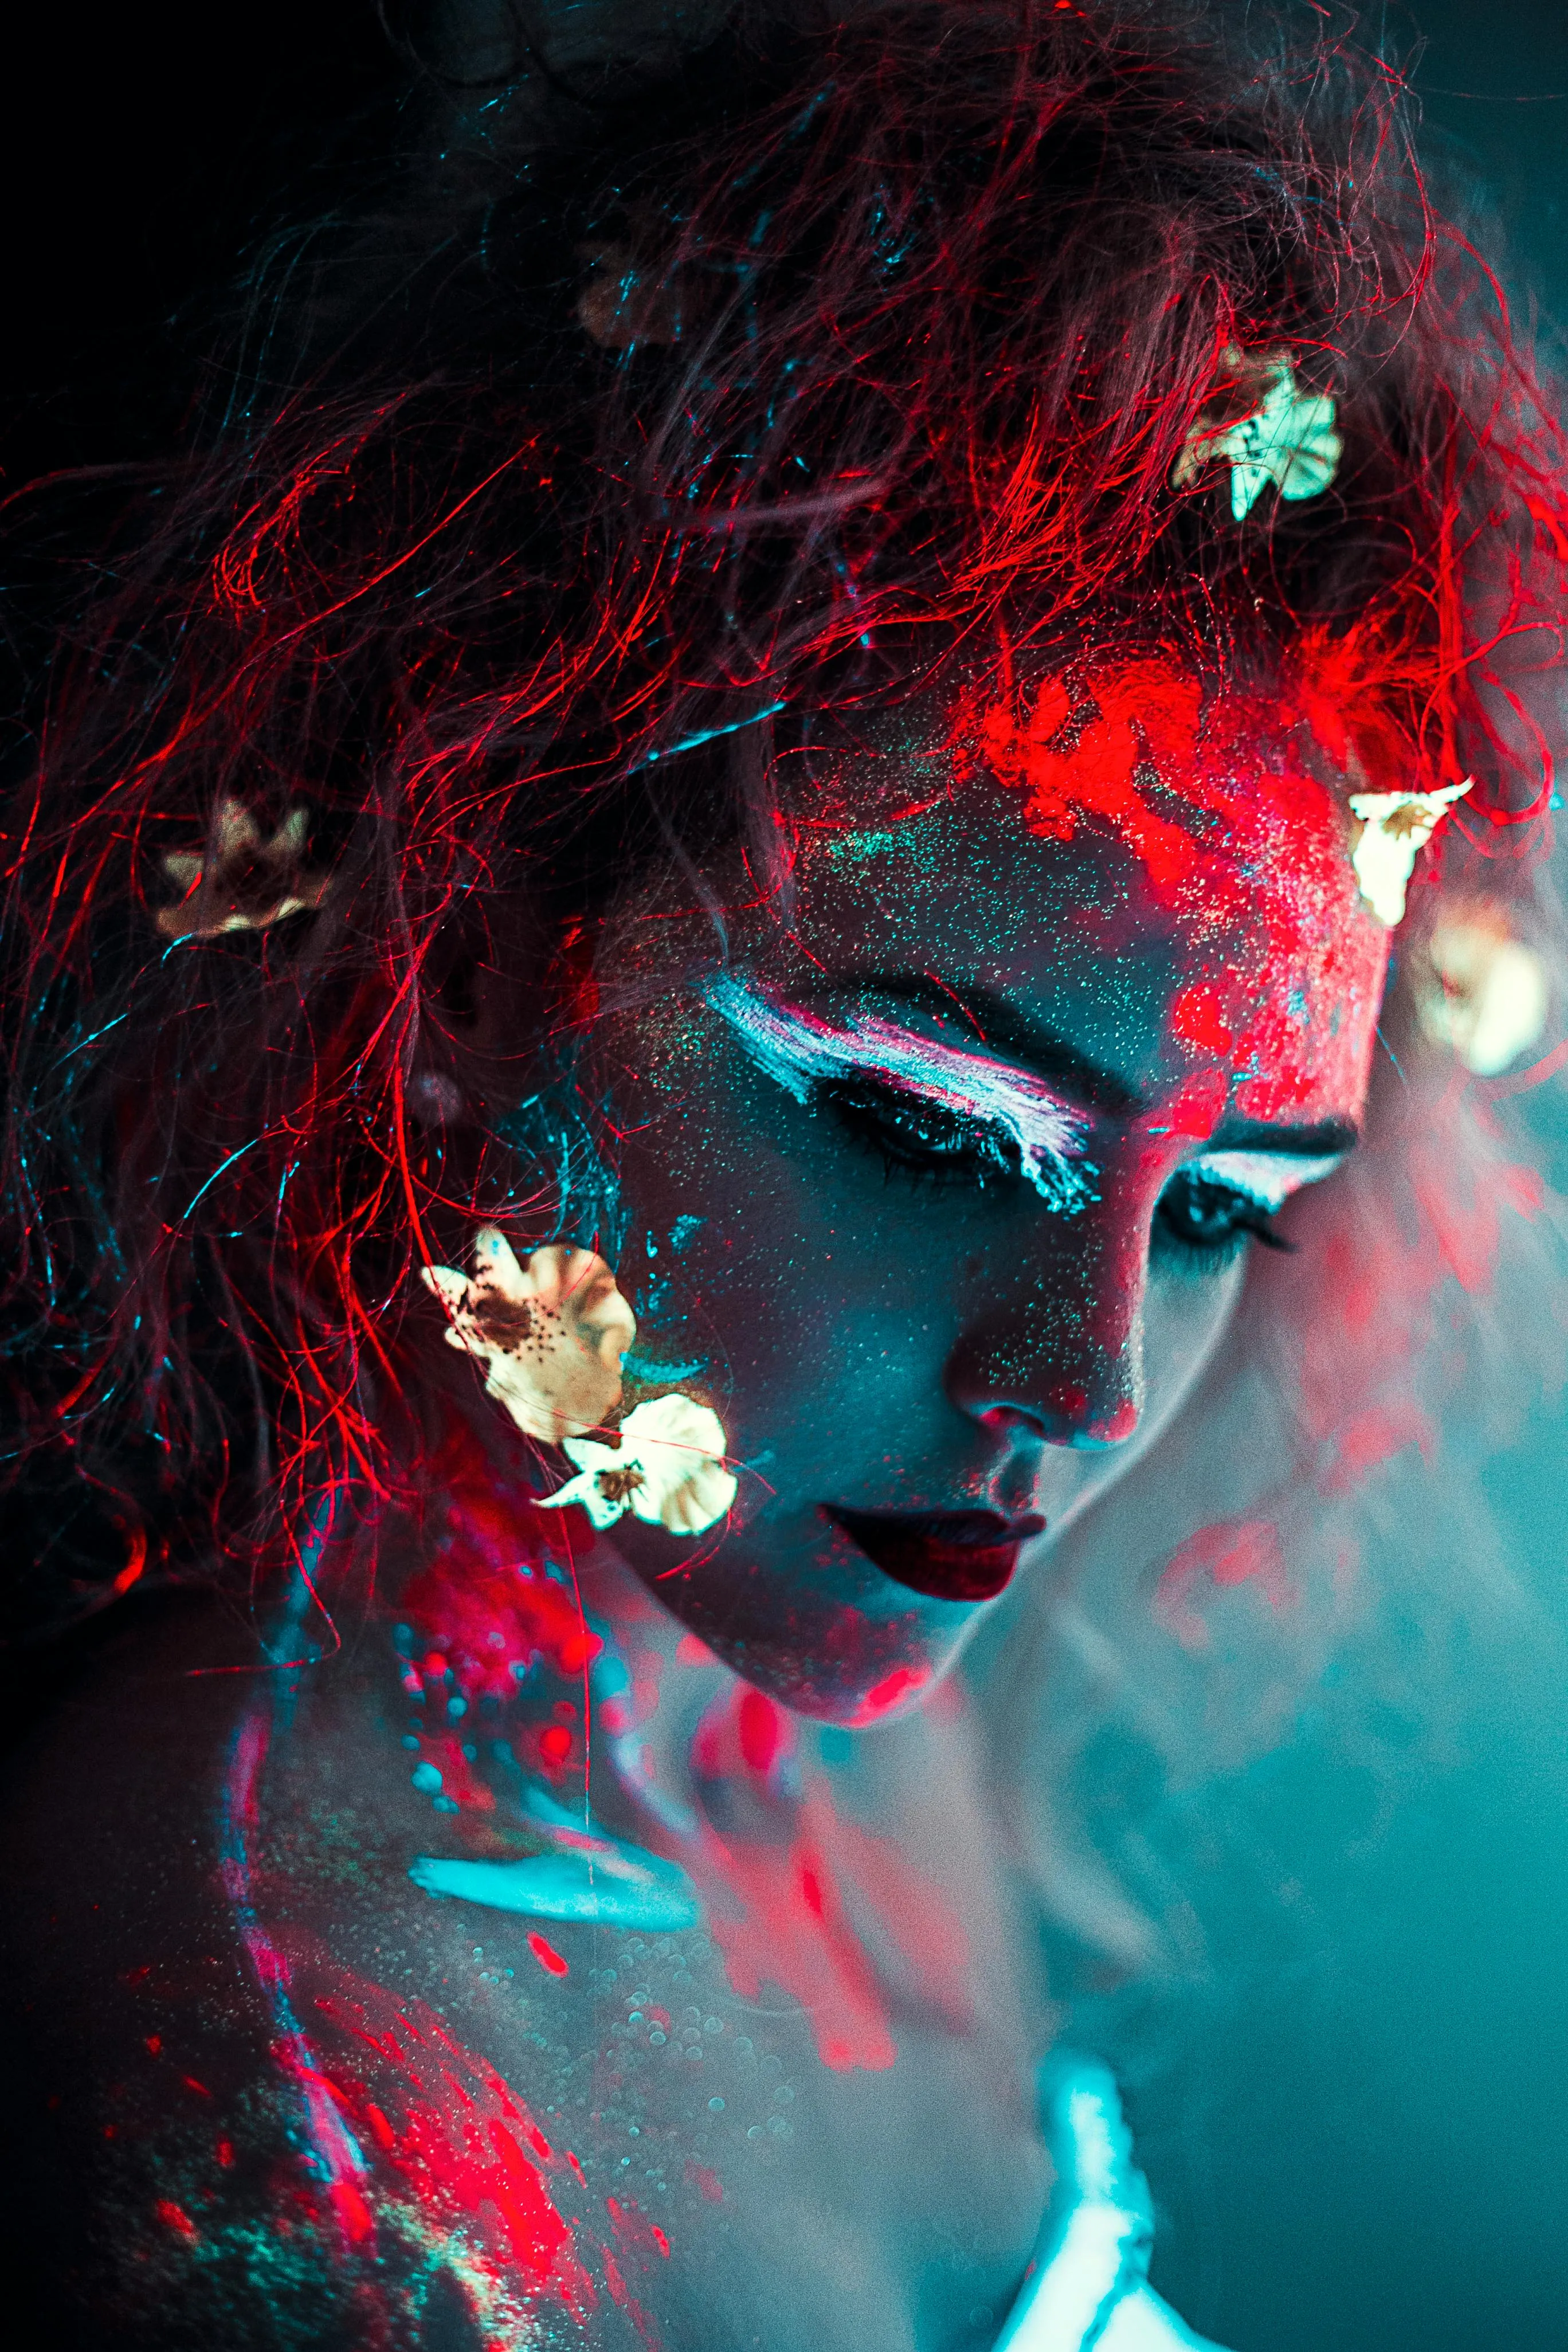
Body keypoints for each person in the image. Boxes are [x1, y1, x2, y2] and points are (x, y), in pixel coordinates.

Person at [2, 3, 1565, 2345]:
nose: (1085, 1384)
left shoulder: (881, 1670)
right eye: (934, 1127)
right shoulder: (273, 2029)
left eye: (1233, 1203)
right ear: (464, 962)